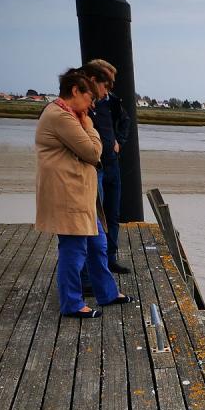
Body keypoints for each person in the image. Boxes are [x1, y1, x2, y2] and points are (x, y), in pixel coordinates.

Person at [35, 68, 132, 318]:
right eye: (90, 99)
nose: (91, 106)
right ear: (75, 91)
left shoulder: (69, 115)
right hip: (69, 195)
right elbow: (92, 152)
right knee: (74, 250)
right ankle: (72, 303)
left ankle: (107, 293)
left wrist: (85, 123)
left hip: (83, 196)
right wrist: (90, 126)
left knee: (98, 244)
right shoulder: (60, 116)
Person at [82, 60, 130, 274]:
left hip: (112, 164)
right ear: (94, 81)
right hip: (96, 167)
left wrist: (119, 141)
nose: (109, 89)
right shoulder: (85, 104)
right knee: (95, 218)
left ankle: (110, 258)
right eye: (107, 84)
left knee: (113, 214)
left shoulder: (112, 101)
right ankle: (93, 268)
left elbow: (125, 121)